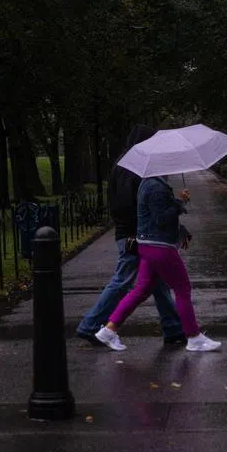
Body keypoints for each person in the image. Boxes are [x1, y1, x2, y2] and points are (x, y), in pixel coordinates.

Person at [75, 126, 186, 347]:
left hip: (138, 233)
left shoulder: (128, 165)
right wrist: (139, 232)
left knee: (158, 282)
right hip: (135, 235)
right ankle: (90, 325)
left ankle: (173, 329)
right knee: (123, 281)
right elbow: (132, 206)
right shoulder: (133, 168)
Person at [94, 175, 221, 353]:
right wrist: (179, 203)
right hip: (160, 247)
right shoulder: (156, 186)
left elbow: (157, 213)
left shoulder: (148, 182)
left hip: (148, 245)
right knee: (182, 288)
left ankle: (109, 330)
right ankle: (194, 337)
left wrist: (177, 202)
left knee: (141, 290)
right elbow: (161, 219)